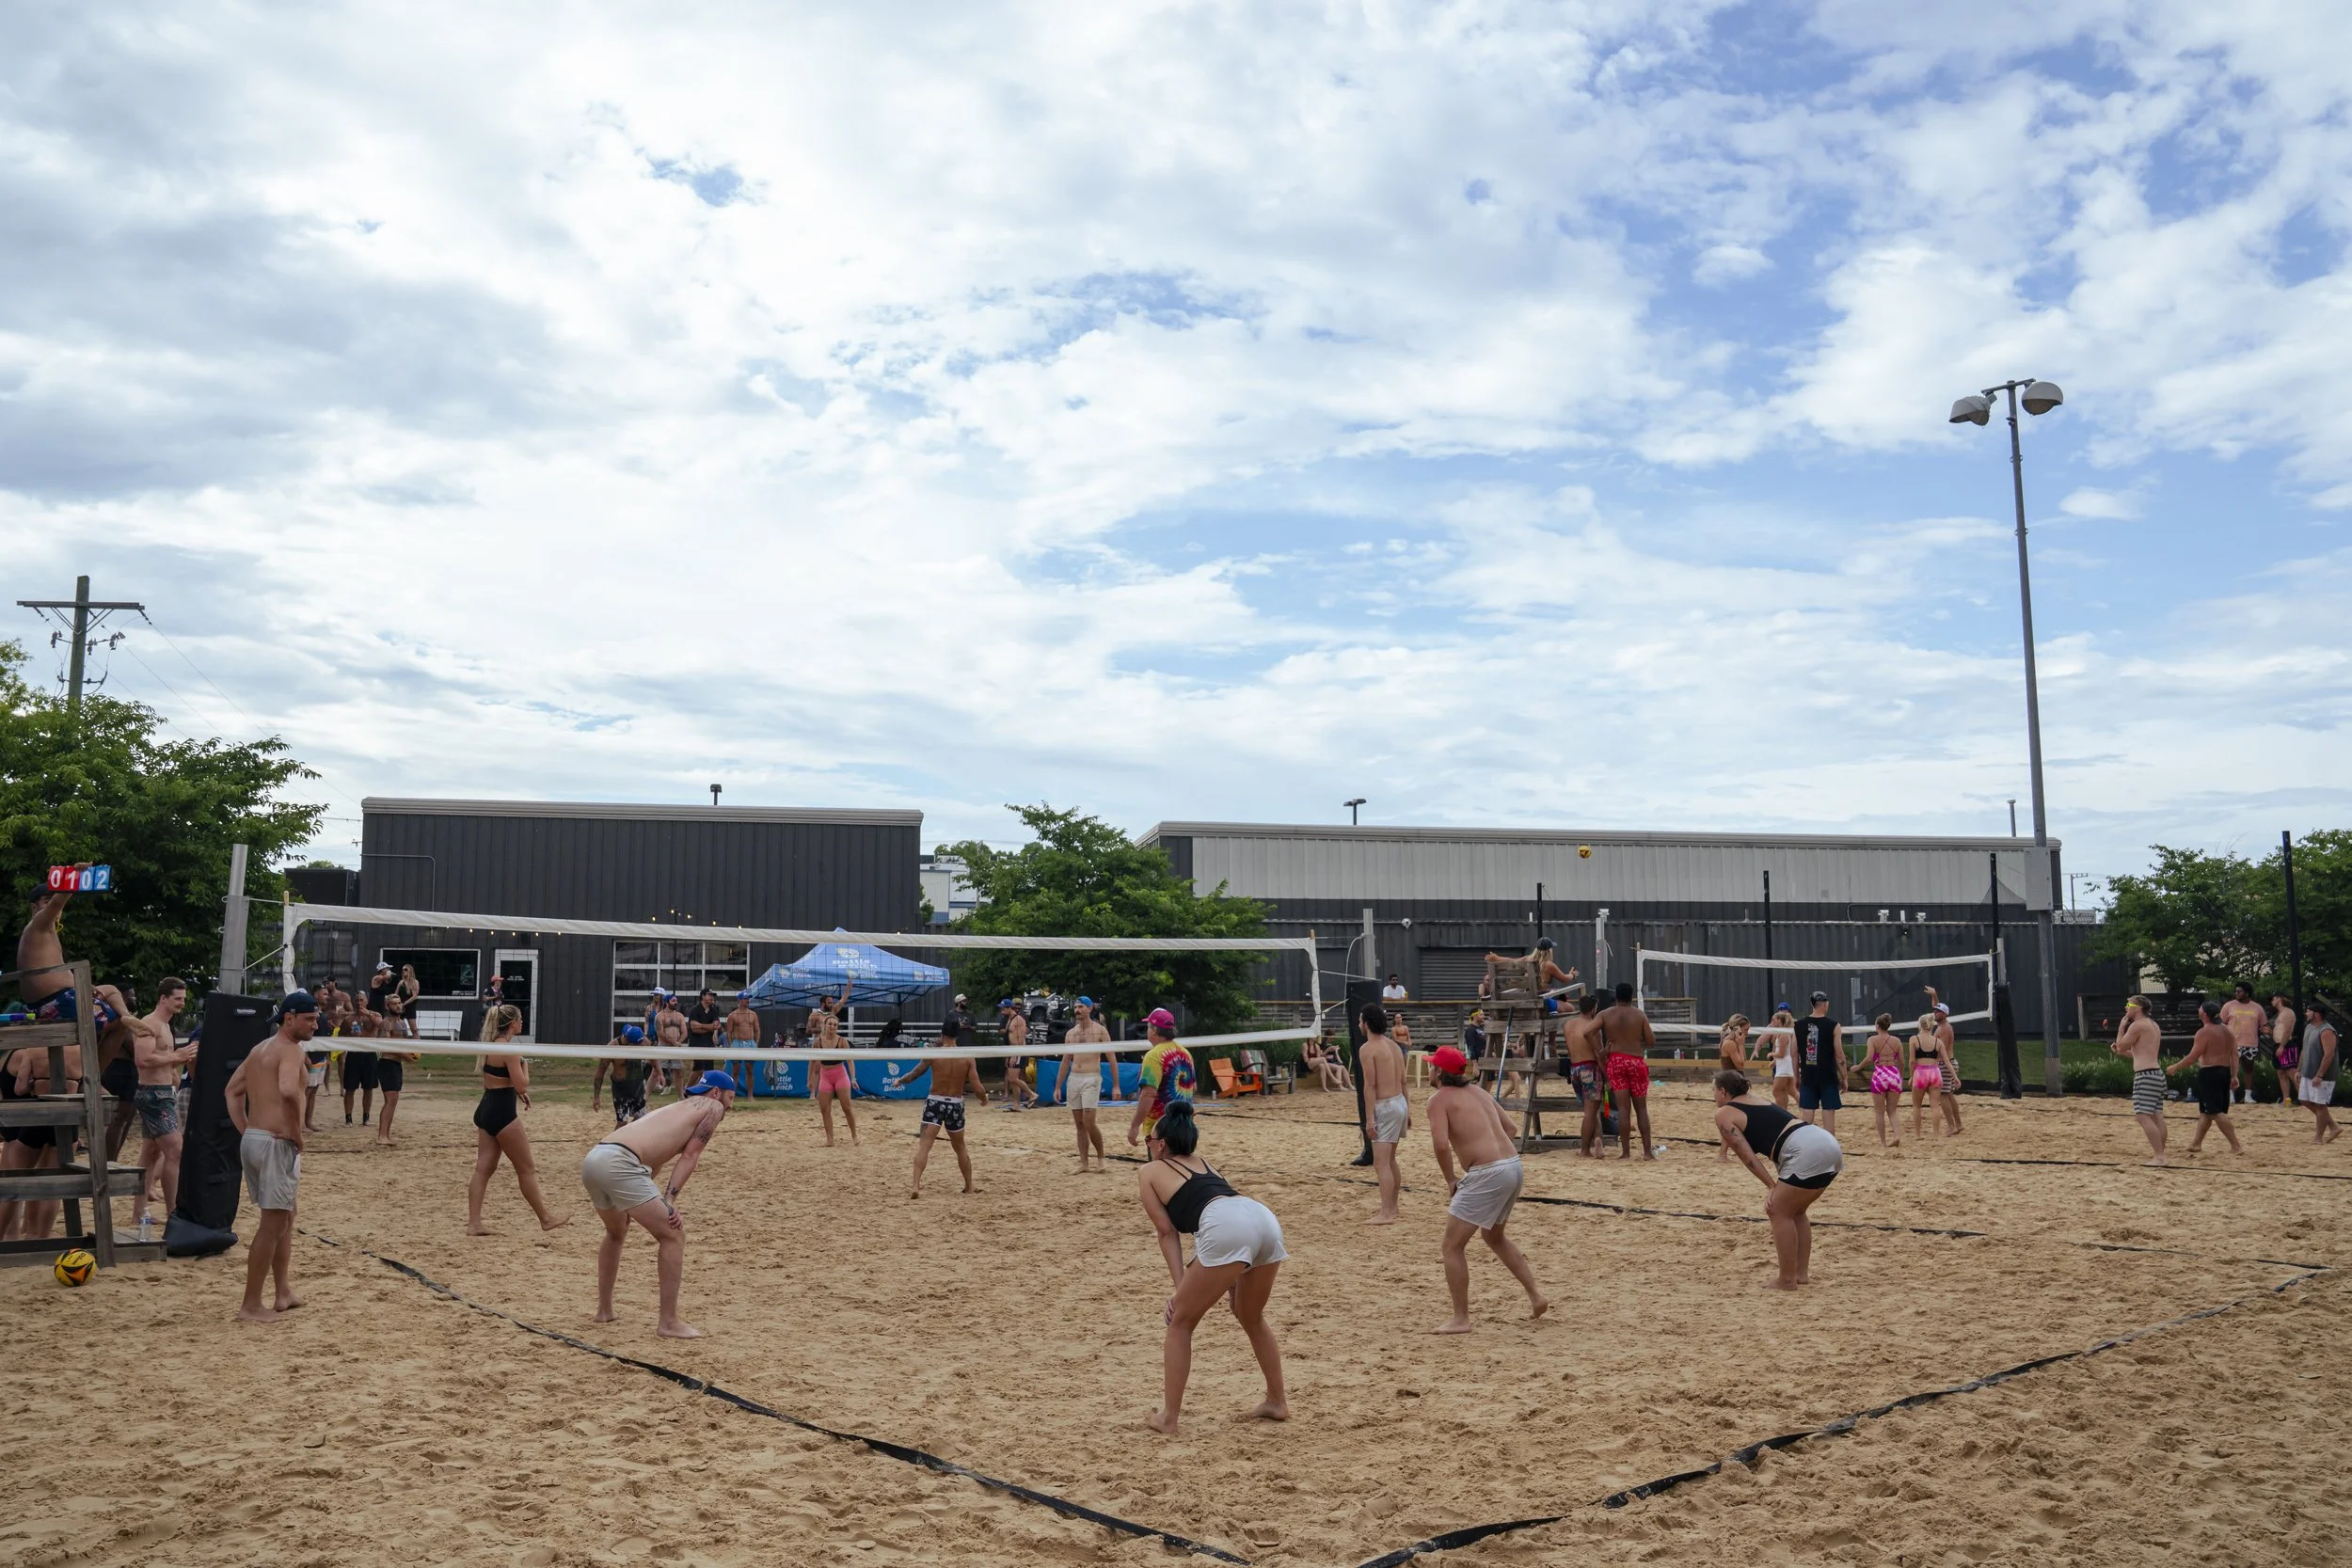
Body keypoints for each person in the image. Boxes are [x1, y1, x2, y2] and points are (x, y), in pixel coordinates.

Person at [1135, 1101, 1287, 1434]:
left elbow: (1167, 1232)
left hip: (1226, 1225)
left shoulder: (1149, 1172)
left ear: (1160, 1144)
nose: (1147, 1144)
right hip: (1261, 1216)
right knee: (1251, 1316)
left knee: (1180, 1322)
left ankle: (1168, 1418)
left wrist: (1179, 1288)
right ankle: (1276, 1400)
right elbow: (1217, 1228)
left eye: (1149, 1139)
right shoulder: (1206, 1164)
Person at [582, 1069, 736, 1338]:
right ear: (716, 1093)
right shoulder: (713, 1107)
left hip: (596, 1157)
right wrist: (669, 1200)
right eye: (731, 1098)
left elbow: (655, 1158)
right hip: (621, 1163)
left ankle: (604, 1311)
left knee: (616, 1232)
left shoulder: (678, 1107)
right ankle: (668, 1322)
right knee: (673, 1234)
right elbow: (690, 1157)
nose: (730, 1105)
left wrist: (641, 1197)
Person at [1424, 1046, 1547, 1333]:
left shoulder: (1438, 1099)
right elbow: (1512, 1130)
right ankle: (1536, 1295)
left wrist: (1452, 1180)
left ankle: (1460, 1319)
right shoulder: (1479, 1093)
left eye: (1432, 1066)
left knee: (1451, 1246)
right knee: (1494, 1237)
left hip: (1488, 1172)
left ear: (1440, 1072)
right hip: (1513, 1165)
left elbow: (1441, 1145)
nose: (1430, 1069)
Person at [224, 990, 315, 1322]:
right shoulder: (289, 1050)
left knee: (286, 1217)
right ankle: (250, 1305)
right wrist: (295, 1132)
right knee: (273, 1223)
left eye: (316, 1018)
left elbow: (231, 1092)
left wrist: (248, 1129)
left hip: (256, 1139)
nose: (314, 1025)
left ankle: (282, 1292)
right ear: (288, 1018)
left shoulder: (259, 1049)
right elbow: (289, 1091)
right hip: (276, 1143)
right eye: (309, 1019)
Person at [1712, 1068, 1842, 1289]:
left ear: (1723, 1092)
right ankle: (1800, 1274)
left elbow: (1747, 1156)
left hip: (1804, 1149)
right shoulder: (1755, 1099)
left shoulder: (1724, 1113)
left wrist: (1771, 1186)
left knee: (1778, 1210)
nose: (1713, 1095)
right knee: (1796, 1211)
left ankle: (1787, 1279)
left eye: (1713, 1090)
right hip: (1825, 1142)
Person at [466, 1005, 571, 1232]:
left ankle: (474, 1223)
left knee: (483, 1169)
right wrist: (524, 1065)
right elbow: (522, 1083)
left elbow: (499, 1079)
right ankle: (545, 1219)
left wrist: (517, 1091)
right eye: (520, 1019)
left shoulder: (489, 1045)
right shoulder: (510, 1051)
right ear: (512, 1023)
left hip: (486, 1108)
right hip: (503, 1114)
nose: (522, 1022)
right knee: (526, 1168)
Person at [128, 977, 198, 1232]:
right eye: (178, 998)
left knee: (151, 1154)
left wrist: (176, 1078)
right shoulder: (150, 1024)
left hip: (162, 1093)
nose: (182, 1003)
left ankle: (139, 1213)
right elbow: (142, 1060)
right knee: (176, 1152)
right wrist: (177, 1056)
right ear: (163, 998)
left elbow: (164, 1063)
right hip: (153, 1095)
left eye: (184, 999)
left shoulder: (166, 1027)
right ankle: (174, 1213)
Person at [892, 1016, 984, 1197]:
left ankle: (916, 1186)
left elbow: (915, 1073)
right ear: (958, 1034)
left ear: (942, 1034)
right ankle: (969, 1186)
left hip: (935, 1101)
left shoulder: (935, 1053)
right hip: (955, 1104)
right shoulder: (967, 1057)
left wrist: (900, 1080)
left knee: (924, 1146)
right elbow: (977, 1086)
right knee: (960, 1148)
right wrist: (984, 1100)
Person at [1355, 1005, 1407, 1222]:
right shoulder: (1394, 1046)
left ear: (1366, 1023)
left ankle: (1386, 1212)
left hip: (1385, 1105)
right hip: (1399, 1101)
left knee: (1381, 1163)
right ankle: (1392, 1208)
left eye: (1360, 1020)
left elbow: (1370, 1085)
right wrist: (1408, 1110)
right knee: (1391, 1160)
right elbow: (1404, 1080)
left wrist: (1369, 1119)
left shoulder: (1368, 1048)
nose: (1359, 1024)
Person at [2174, 1000, 2245, 1156]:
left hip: (2210, 1073)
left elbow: (2193, 1057)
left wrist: (2175, 1067)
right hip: (2224, 1071)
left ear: (2204, 1014)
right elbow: (2234, 1055)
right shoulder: (2227, 1030)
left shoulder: (2204, 1032)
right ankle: (2196, 1144)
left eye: (2200, 1008)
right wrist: (2234, 1075)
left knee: (2216, 1112)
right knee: (2207, 1111)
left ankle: (2236, 1145)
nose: (2198, 1009)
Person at [1598, 982, 1656, 1160]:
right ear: (1632, 997)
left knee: (1623, 1109)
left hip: (1615, 1061)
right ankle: (1647, 1152)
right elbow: (1651, 1040)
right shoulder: (1639, 1015)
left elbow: (1588, 1031)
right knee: (1641, 1109)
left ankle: (1625, 1152)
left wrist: (1602, 1049)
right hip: (1635, 1061)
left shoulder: (1605, 1014)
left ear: (1616, 996)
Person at [1126, 1008, 1197, 1148]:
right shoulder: (1185, 1052)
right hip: (1185, 1125)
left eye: (1148, 1027)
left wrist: (1134, 1126)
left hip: (1161, 1127)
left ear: (1153, 1030)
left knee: (1161, 1168)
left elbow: (1148, 1094)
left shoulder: (1154, 1056)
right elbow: (1193, 1088)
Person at [1057, 995, 1112, 1171]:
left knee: (1089, 1122)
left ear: (1090, 1008)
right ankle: (1084, 1163)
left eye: (1081, 1007)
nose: (1077, 1010)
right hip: (1074, 1078)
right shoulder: (1071, 1033)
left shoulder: (1100, 1031)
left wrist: (1117, 1085)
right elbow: (1066, 1061)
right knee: (1079, 1124)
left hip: (1091, 1077)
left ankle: (1101, 1158)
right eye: (1076, 1007)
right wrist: (1058, 1086)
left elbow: (1112, 1059)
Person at [2112, 996, 2168, 1164]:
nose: (2126, 1007)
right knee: (2157, 1115)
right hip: (2156, 1073)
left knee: (2142, 1116)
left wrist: (2121, 1028)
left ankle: (2159, 1156)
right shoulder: (2153, 1025)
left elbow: (2121, 1045)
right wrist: (2121, 1051)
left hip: (2146, 1076)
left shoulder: (2137, 1025)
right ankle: (2160, 1153)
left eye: (2129, 1004)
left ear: (2139, 1008)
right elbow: (2139, 1052)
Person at [809, 984, 858, 1146]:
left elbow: (850, 1060)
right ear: (825, 1025)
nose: (832, 1026)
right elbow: (813, 1062)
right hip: (825, 1075)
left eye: (835, 1025)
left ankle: (854, 1136)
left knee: (847, 1108)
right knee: (825, 1110)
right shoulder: (817, 1041)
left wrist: (853, 1078)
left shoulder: (842, 1041)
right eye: (829, 1024)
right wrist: (810, 1081)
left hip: (840, 1074)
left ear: (837, 1027)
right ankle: (830, 1139)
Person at [1792, 991, 1846, 1134]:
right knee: (1828, 1117)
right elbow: (1840, 1056)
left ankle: (1805, 1148)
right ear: (1826, 1004)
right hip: (1827, 1076)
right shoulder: (1834, 1026)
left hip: (1808, 1076)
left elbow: (1793, 1054)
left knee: (1807, 1116)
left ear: (1812, 1004)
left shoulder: (1798, 1025)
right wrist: (1844, 1077)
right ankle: (1829, 1152)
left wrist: (1796, 1076)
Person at [345, 962, 389, 1125]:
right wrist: (349, 1034)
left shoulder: (374, 1014)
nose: (359, 1003)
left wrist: (368, 1014)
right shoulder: (349, 1019)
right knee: (350, 1088)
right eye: (356, 1000)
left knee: (368, 1088)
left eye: (361, 1000)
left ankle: (366, 1117)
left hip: (369, 1054)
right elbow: (342, 1035)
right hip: (353, 1054)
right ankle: (348, 1118)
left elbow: (381, 1024)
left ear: (367, 1001)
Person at [593, 1025, 660, 1127]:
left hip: (637, 1087)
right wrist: (596, 1097)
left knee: (641, 1119)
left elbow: (653, 1057)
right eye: (636, 1045)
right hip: (621, 1089)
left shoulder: (643, 1042)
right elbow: (600, 1073)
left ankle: (627, 1138)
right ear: (628, 1040)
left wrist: (660, 1073)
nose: (640, 1046)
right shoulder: (612, 1048)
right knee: (622, 1123)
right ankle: (613, 1142)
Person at [1564, 992, 1604, 1156]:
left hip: (1575, 1069)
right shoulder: (1593, 1027)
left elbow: (1568, 1048)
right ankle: (1585, 1149)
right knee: (1590, 1112)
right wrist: (1607, 1073)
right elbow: (1598, 1054)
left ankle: (1597, 1140)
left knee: (1591, 1109)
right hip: (1590, 1068)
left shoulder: (1568, 1024)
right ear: (1594, 1009)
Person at [2219, 982, 2267, 1105]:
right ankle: (2230, 1095)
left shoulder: (2257, 1008)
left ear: (2247, 993)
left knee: (2249, 1070)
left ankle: (2248, 1096)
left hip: (2251, 1043)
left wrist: (2268, 1030)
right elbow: (2221, 1023)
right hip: (2232, 1043)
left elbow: (2263, 1025)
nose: (2236, 993)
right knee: (2231, 1070)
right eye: (2235, 991)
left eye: (2239, 991)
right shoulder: (2229, 1006)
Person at [1861, 1014, 1904, 1148]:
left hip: (1880, 1074)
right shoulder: (1897, 1041)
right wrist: (1900, 1077)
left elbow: (1869, 1058)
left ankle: (1884, 1143)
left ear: (1877, 1026)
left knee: (1879, 1112)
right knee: (1892, 1111)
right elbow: (1902, 1063)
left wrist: (1858, 1067)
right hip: (1893, 1073)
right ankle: (1896, 1136)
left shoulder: (1872, 1040)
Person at [2300, 1006, 2340, 1145]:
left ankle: (2318, 1138)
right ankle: (2333, 1126)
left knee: (2320, 1105)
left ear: (2316, 1014)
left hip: (2323, 1075)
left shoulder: (2327, 1030)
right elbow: (2304, 1050)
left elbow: (2329, 1054)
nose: (2306, 1013)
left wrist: (2320, 1075)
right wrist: (2300, 1069)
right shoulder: (2309, 1028)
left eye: (2309, 1011)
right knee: (2305, 1100)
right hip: (2308, 1072)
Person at [997, 997, 1037, 1111]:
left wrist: (1015, 1055)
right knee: (1012, 1079)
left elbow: (1020, 1040)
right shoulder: (1010, 1019)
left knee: (1013, 1078)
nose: (1001, 1011)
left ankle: (1031, 1094)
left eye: (1003, 1008)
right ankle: (1016, 1104)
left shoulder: (1018, 1020)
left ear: (1010, 1008)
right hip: (1012, 1051)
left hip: (1017, 1051)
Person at [653, 992, 691, 1096]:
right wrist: (673, 1042)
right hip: (663, 1046)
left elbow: (684, 1032)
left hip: (676, 1047)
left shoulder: (679, 1016)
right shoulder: (659, 1016)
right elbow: (660, 1033)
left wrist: (678, 1042)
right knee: (655, 1072)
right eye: (673, 1001)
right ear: (666, 1002)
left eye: (676, 1001)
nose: (676, 1003)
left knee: (678, 1072)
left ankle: (681, 1097)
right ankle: (645, 1096)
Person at [686, 988, 726, 1081]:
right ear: (703, 996)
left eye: (712, 995)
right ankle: (687, 1089)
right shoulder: (695, 1010)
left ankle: (703, 1090)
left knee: (708, 1071)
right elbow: (694, 1028)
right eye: (709, 995)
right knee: (698, 1069)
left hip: (709, 1044)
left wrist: (701, 1026)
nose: (712, 997)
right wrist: (709, 1028)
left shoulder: (713, 1010)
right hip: (696, 1043)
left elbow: (715, 1026)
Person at [2271, 993, 2301, 1110]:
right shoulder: (2280, 1013)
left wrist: (2282, 1046)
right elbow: (2280, 1030)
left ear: (2279, 998)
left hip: (2286, 1045)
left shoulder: (2288, 1012)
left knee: (2292, 1073)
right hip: (2278, 1044)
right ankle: (2286, 1100)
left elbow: (2287, 1031)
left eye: (2273, 999)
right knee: (2281, 1074)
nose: (2271, 1001)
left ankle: (2305, 1100)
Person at [1765, 1006, 1798, 1111]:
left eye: (1773, 1020)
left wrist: (1772, 1054)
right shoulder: (1782, 1033)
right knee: (1790, 1090)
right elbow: (1784, 1053)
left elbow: (1782, 1054)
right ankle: (1785, 1111)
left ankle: (1782, 1111)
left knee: (1777, 1090)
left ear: (1779, 1020)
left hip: (1785, 1066)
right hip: (1784, 1064)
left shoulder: (1783, 1035)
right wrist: (1774, 1062)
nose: (1772, 1022)